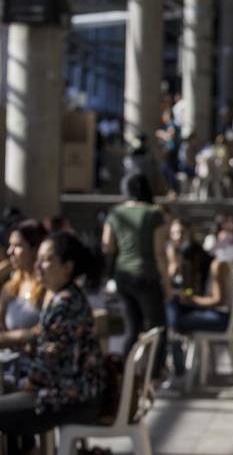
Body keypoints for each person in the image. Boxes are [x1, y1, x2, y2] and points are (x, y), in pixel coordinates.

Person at [0, 232, 104, 454]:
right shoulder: (69, 296)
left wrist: (19, 388)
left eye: (46, 260)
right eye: (38, 259)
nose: (38, 266)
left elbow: (44, 372)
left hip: (70, 400)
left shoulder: (63, 304)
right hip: (79, 395)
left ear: (67, 267)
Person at [102, 173, 170, 378]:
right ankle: (154, 374)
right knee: (157, 328)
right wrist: (166, 282)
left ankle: (126, 374)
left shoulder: (116, 213)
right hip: (147, 275)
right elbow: (159, 251)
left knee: (132, 328)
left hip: (123, 276)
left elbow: (107, 246)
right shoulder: (153, 213)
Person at [166, 256, 233, 381]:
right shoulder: (221, 263)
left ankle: (178, 368)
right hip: (223, 316)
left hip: (221, 318)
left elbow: (218, 300)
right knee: (175, 315)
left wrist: (192, 300)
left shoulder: (217, 265)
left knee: (175, 321)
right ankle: (177, 366)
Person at [0, 221, 47, 348]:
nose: (10, 251)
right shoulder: (10, 287)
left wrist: (14, 337)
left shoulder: (48, 287)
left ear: (35, 249)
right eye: (10, 245)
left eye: (17, 246)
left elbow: (46, 331)